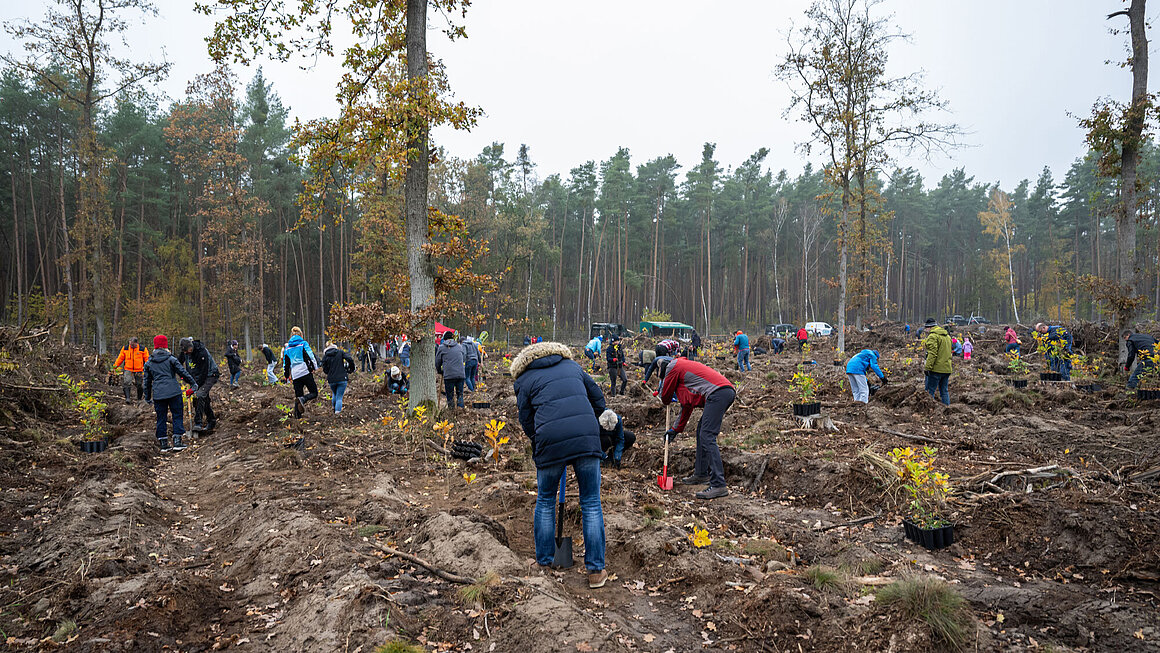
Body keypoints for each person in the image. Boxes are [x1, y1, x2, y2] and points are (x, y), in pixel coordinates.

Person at [510, 340, 609, 588]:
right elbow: (599, 400)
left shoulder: (524, 379)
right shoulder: (574, 367)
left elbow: (526, 418)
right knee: (591, 502)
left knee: (545, 499)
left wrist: (540, 438)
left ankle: (544, 562)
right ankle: (596, 571)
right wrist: (591, 427)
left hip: (550, 439)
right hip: (586, 437)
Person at [658, 357, 735, 500]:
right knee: (702, 431)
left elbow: (665, 397)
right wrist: (675, 429)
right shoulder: (684, 376)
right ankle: (701, 474)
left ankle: (718, 484)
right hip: (723, 392)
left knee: (707, 435)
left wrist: (663, 389)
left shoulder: (673, 366)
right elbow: (686, 407)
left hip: (718, 393)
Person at [143, 335, 197, 453]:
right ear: (166, 346)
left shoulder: (149, 363)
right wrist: (193, 383)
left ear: (155, 346)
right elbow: (182, 372)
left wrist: (147, 397)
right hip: (173, 392)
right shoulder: (171, 359)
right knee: (177, 414)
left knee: (161, 418)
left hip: (158, 394)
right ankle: (177, 441)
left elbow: (146, 382)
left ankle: (163, 444)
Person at [179, 337, 220, 432]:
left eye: (186, 351)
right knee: (203, 399)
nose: (185, 353)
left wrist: (194, 388)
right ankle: (211, 421)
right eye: (184, 351)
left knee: (200, 395)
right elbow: (178, 362)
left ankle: (198, 423)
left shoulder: (201, 352)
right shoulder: (185, 351)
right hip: (196, 376)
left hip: (210, 375)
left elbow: (203, 373)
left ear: (190, 347)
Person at [282, 326, 319, 418]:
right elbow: (311, 356)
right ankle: (304, 399)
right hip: (305, 371)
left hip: (295, 374)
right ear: (301, 335)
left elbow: (286, 364)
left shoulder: (287, 348)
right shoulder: (303, 344)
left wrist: (286, 376)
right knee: (314, 393)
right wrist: (315, 367)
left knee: (298, 396)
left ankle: (297, 418)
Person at [922, 318, 952, 405]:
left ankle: (929, 410)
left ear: (930, 327)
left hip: (936, 369)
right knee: (944, 391)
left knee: (929, 392)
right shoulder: (947, 336)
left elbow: (932, 354)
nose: (926, 331)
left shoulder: (933, 336)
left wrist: (927, 368)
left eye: (926, 328)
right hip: (947, 368)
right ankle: (947, 410)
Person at [321, 341, 356, 414]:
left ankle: (334, 408)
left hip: (331, 379)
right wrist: (351, 368)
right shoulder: (340, 352)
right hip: (342, 378)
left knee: (334, 393)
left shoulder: (325, 356)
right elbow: (349, 359)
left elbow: (324, 368)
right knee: (339, 396)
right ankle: (337, 413)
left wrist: (328, 372)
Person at [435, 331, 467, 409]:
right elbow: (464, 358)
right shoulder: (459, 346)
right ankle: (461, 411)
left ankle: (451, 412)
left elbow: (437, 362)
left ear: (444, 339)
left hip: (449, 375)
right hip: (460, 374)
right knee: (460, 394)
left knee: (450, 395)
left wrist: (439, 371)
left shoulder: (441, 347)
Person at [113, 337, 148, 403]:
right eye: (130, 344)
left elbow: (147, 360)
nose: (131, 346)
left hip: (139, 369)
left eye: (132, 344)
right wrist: (114, 367)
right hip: (128, 368)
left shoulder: (142, 349)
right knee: (126, 382)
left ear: (136, 343)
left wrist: (148, 368)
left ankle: (139, 399)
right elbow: (120, 358)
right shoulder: (125, 348)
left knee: (139, 384)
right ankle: (128, 398)